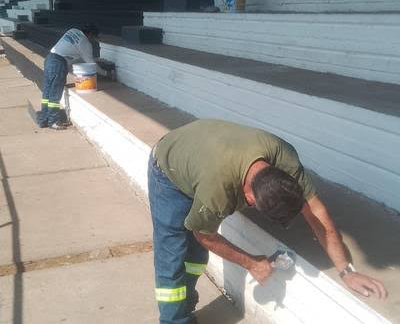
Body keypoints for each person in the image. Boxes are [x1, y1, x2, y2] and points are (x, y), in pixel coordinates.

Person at [148, 119, 387, 324]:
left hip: (206, 151)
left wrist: (346, 271)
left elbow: (319, 216)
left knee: (196, 257)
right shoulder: (218, 188)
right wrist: (251, 263)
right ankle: (175, 320)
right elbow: (204, 234)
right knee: (174, 255)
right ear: (248, 194)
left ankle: (185, 303)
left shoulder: (287, 162)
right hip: (169, 166)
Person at [38, 23, 99, 130]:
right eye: (93, 37)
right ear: (90, 34)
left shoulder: (72, 30)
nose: (93, 39)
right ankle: (54, 121)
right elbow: (90, 63)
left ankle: (43, 120)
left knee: (47, 92)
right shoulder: (85, 43)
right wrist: (104, 72)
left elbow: (72, 50)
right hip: (59, 63)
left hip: (50, 58)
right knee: (55, 93)